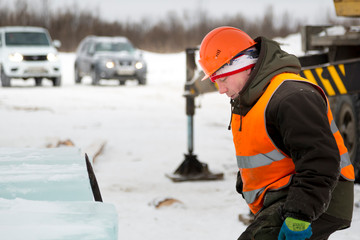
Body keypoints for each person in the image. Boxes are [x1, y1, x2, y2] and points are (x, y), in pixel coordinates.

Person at [198, 26, 355, 240]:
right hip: (286, 195)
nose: (221, 90)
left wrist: (299, 216)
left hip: (317, 198)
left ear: (244, 66)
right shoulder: (252, 98)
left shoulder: (291, 97)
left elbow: (320, 160)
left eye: (223, 79)